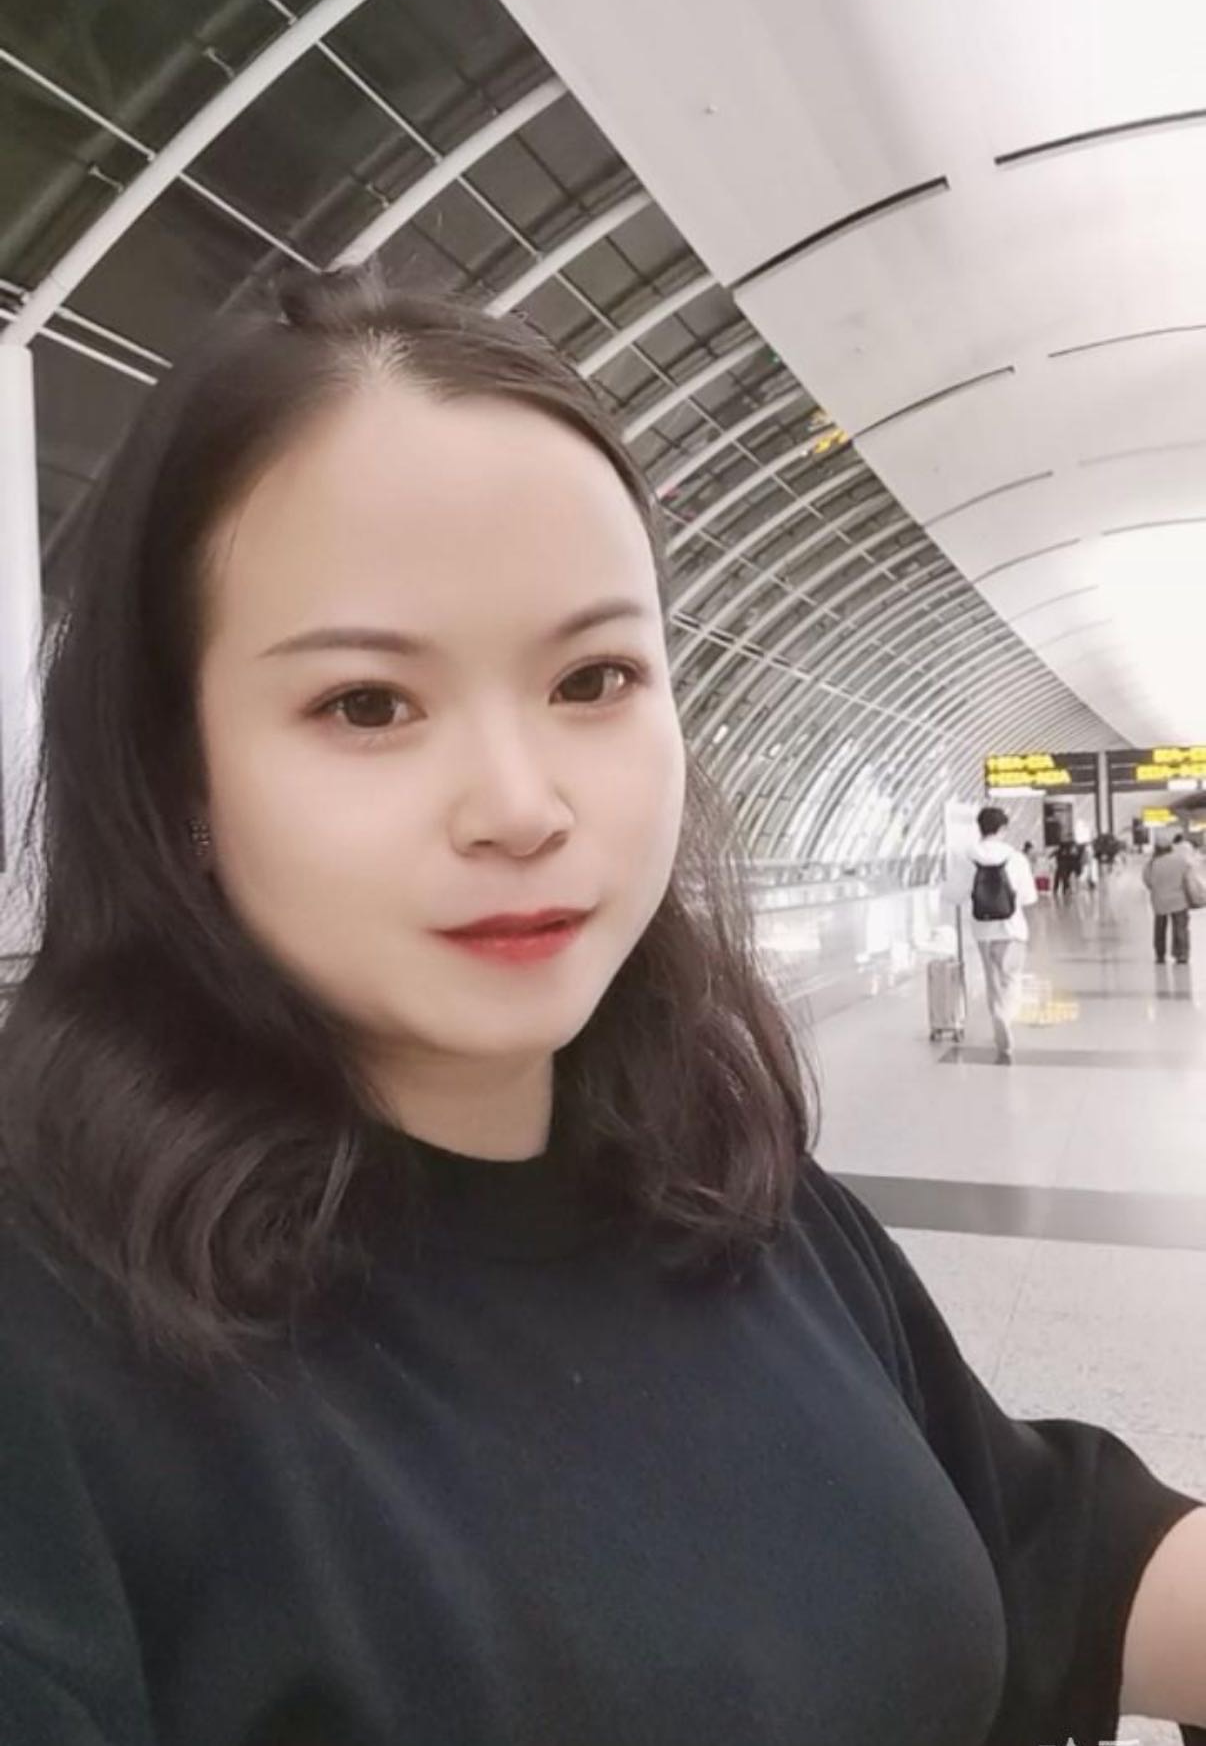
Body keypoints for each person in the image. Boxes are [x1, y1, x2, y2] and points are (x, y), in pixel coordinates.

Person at [1, 267, 1205, 1746]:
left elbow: (1027, 1544)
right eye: (367, 704)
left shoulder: (720, 1186)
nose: (521, 805)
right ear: (175, 770)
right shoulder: (53, 1336)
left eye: (593, 677)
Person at [947, 805, 1039, 1065]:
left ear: (980, 828)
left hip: (983, 930)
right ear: (1003, 829)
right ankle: (1005, 1017)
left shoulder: (967, 857)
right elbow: (1029, 897)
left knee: (993, 980)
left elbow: (953, 894)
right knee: (1012, 978)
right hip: (1012, 928)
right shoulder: (1016, 858)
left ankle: (998, 1015)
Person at [1144, 830, 1197, 964]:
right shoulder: (1180, 861)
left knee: (1160, 929)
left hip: (1159, 900)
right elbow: (1188, 879)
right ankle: (1182, 954)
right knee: (1180, 928)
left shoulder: (1152, 863)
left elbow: (1148, 881)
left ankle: (1160, 955)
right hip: (1179, 900)